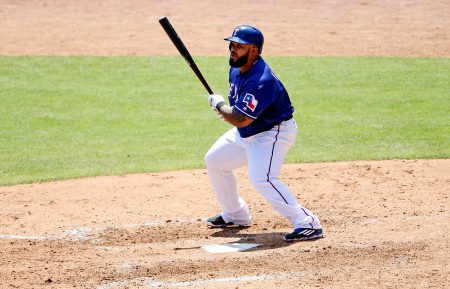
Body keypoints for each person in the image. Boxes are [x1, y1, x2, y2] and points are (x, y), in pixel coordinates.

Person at [205, 25, 323, 241]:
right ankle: (235, 214)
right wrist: (226, 110)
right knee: (215, 161)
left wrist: (220, 105)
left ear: (254, 51)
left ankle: (308, 223)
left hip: (272, 132)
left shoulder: (261, 81)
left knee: (262, 178)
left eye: (239, 46)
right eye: (232, 44)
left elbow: (241, 118)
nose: (233, 49)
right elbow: (241, 118)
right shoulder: (236, 68)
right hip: (249, 132)